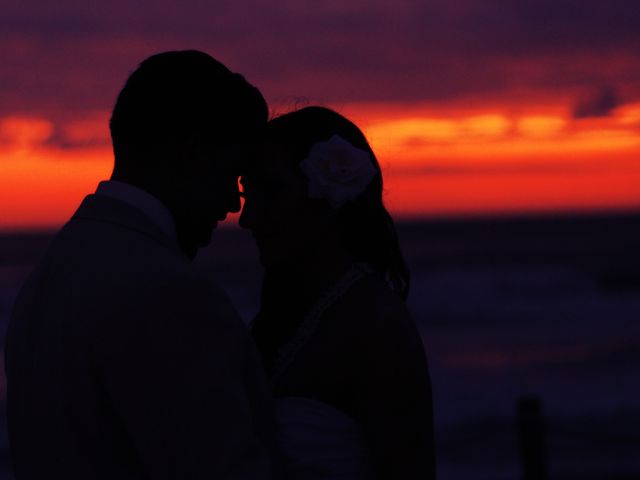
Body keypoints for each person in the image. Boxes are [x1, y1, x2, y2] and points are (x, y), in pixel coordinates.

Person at [5, 50, 276, 479]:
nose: (231, 205)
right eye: (230, 175)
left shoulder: (50, 275)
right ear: (192, 154)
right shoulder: (170, 294)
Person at [240, 106, 436, 480]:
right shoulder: (287, 312)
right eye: (247, 193)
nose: (248, 217)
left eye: (269, 192)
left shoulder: (376, 326)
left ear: (326, 200)